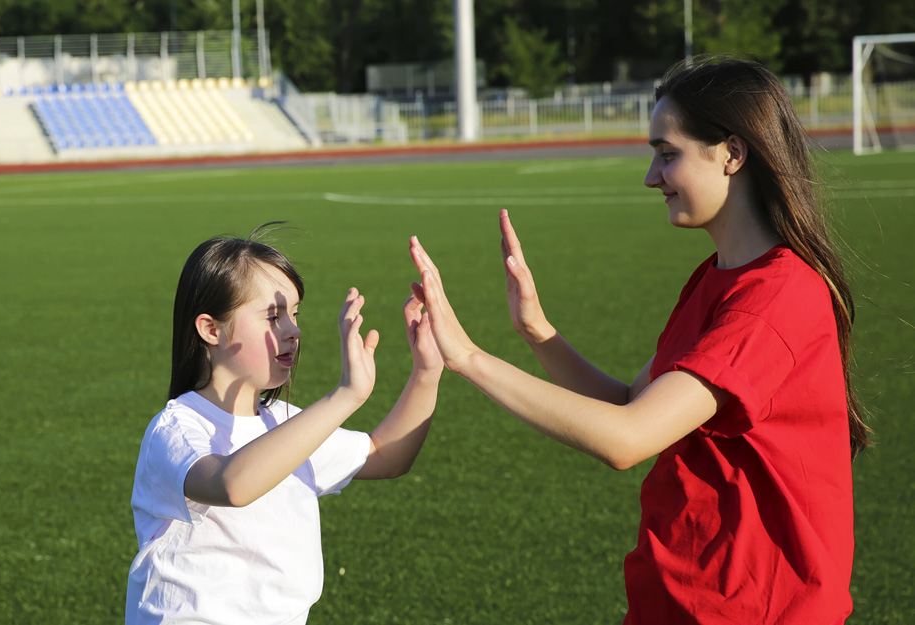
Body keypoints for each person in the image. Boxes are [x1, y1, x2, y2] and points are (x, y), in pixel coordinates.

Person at [407, 56, 869, 624]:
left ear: (732, 153)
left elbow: (627, 439)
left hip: (755, 610)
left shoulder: (780, 296)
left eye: (667, 154)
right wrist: (537, 330)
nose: (652, 177)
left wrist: (470, 359)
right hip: (685, 600)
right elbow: (631, 404)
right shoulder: (716, 277)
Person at [126, 224, 443, 624]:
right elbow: (232, 485)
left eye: (294, 313)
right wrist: (345, 396)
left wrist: (427, 371)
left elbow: (385, 454)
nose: (293, 330)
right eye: (272, 316)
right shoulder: (177, 429)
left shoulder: (285, 423)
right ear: (211, 329)